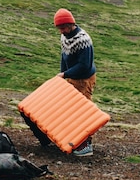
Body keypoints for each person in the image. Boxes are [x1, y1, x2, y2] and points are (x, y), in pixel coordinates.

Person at [23, 8, 97, 156]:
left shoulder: (83, 40)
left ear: (71, 24)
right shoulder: (65, 37)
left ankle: (85, 145)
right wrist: (63, 77)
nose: (61, 31)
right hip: (70, 76)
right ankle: (62, 138)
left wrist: (65, 74)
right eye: (59, 28)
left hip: (84, 79)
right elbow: (64, 57)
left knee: (82, 111)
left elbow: (84, 65)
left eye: (63, 27)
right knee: (66, 109)